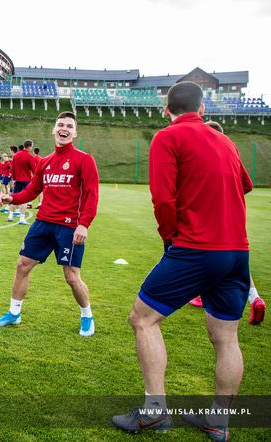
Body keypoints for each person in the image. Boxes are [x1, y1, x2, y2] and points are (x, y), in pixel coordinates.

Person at [112, 82, 253, 439]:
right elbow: (244, 185)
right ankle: (218, 422)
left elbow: (162, 199)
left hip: (195, 248)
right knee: (226, 337)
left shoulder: (167, 137)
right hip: (236, 251)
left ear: (165, 109)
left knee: (143, 319)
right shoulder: (226, 141)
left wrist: (170, 240)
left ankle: (155, 412)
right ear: (203, 109)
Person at [0, 112, 99, 338]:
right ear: (54, 129)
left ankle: (87, 315)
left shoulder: (84, 159)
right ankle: (14, 313)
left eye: (69, 126)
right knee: (22, 266)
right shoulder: (45, 162)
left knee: (71, 275)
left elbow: (91, 195)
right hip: (43, 223)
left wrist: (84, 224)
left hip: (69, 227)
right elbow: (32, 190)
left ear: (75, 132)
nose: (64, 128)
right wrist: (13, 198)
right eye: (60, 124)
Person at [188, 120, 265, 326]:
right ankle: (255, 298)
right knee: (236, 264)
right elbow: (247, 185)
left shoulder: (206, 155)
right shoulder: (230, 151)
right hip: (234, 222)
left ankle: (202, 294)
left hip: (211, 223)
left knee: (207, 256)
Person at [7, 139, 35, 224]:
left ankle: (10, 215)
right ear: (30, 146)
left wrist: (13, 179)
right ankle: (22, 218)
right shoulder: (29, 156)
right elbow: (34, 169)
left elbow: (13, 169)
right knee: (24, 199)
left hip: (17, 180)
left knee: (14, 198)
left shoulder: (16, 156)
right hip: (26, 180)